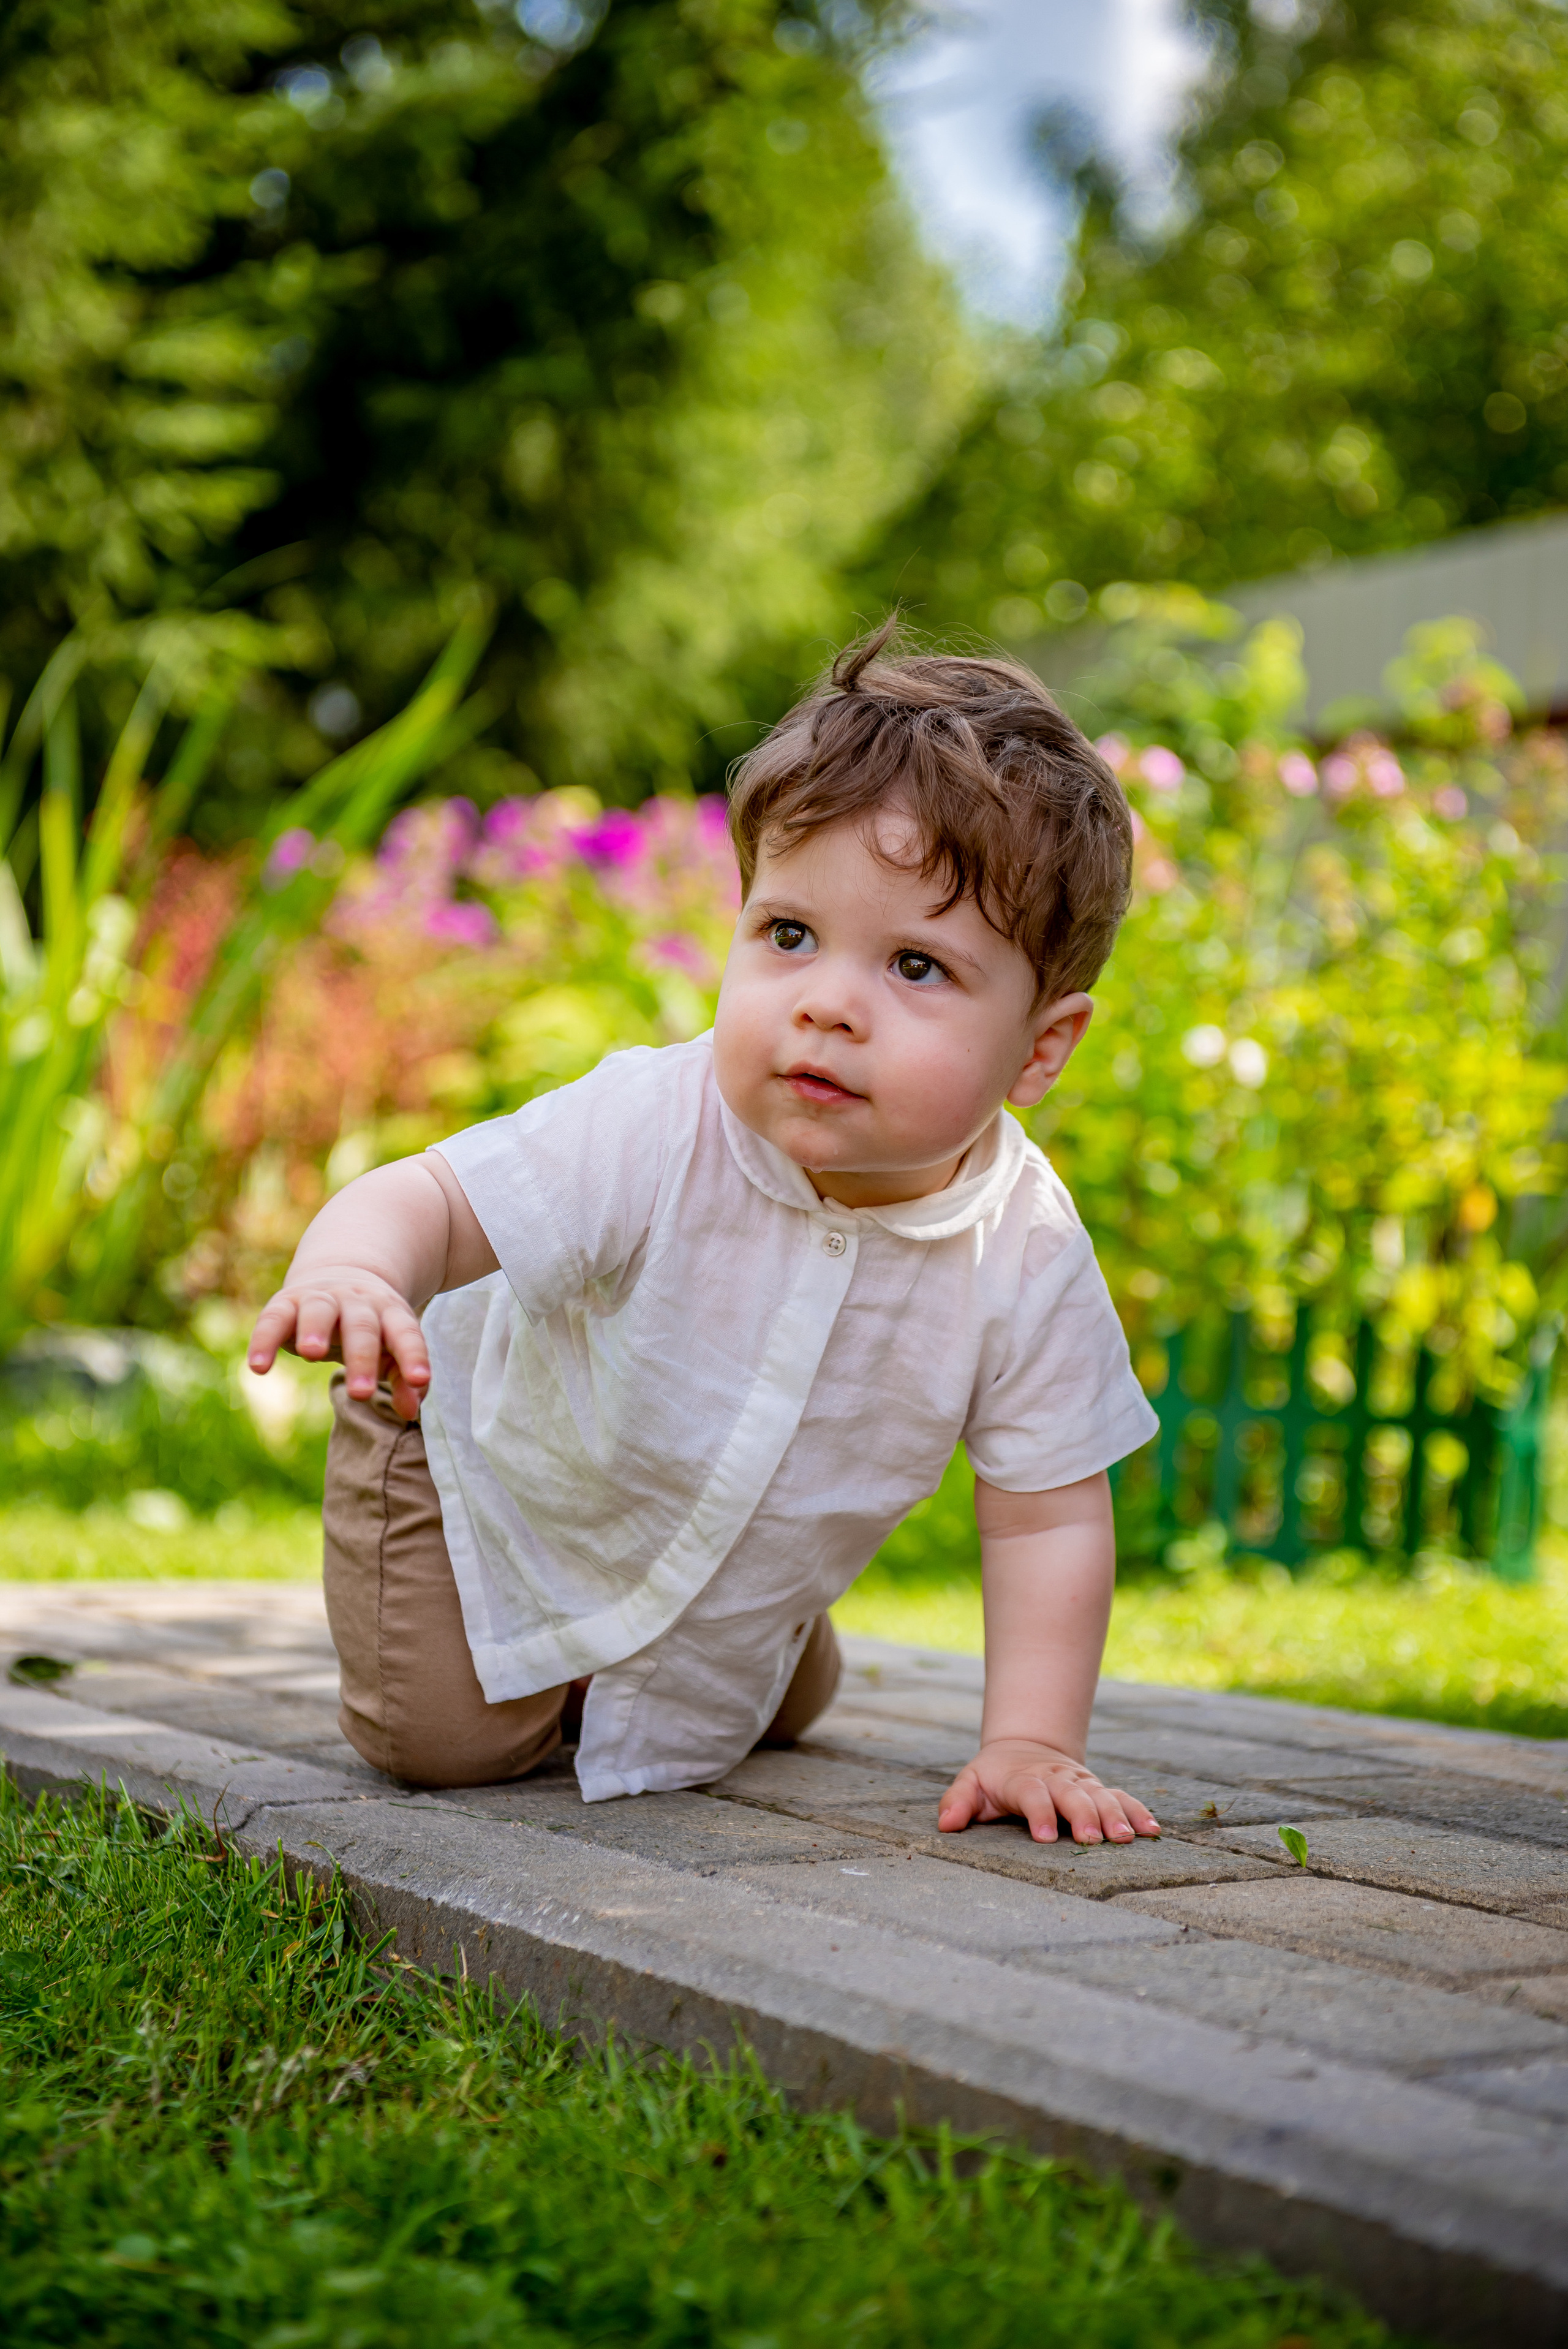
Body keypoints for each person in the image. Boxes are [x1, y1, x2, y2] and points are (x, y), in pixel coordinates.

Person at [247, 619, 1163, 1847]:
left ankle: (752, 1624)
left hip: (723, 1538)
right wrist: (357, 1270)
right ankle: (581, 1619)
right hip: (487, 1464)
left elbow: (1047, 1508)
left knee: (758, 1715)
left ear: (1040, 1048)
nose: (828, 1004)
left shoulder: (1026, 1250)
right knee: (449, 1746)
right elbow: (434, 1199)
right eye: (789, 936)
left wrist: (1029, 1741)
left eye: (915, 966)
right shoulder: (652, 1121)